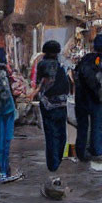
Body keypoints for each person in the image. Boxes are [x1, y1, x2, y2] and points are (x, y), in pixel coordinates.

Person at [28, 41, 70, 175]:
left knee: (51, 134)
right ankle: (54, 163)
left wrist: (37, 93)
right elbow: (46, 81)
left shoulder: (44, 63)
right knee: (60, 134)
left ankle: (53, 163)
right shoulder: (53, 64)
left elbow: (42, 82)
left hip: (49, 105)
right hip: (57, 104)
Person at [74, 34, 102, 171]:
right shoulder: (99, 59)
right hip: (92, 98)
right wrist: (99, 92)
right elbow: (92, 77)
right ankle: (96, 152)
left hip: (81, 98)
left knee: (83, 126)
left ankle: (82, 152)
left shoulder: (86, 59)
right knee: (97, 124)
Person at [0, 47, 22, 183]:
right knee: (5, 141)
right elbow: (3, 94)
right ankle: (4, 172)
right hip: (5, 110)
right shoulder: (0, 72)